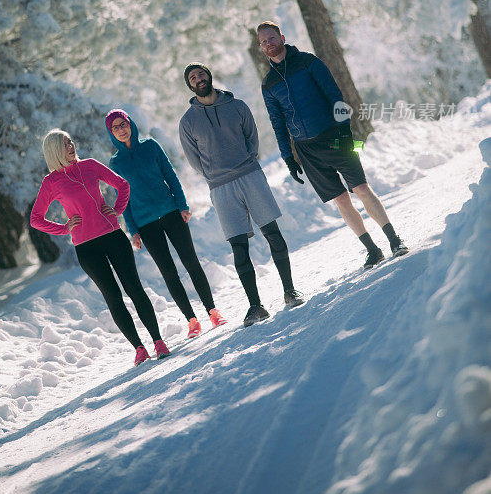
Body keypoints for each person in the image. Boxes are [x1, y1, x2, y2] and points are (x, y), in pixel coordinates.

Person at [257, 21, 409, 269]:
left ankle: (394, 240)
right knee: (341, 200)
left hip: (334, 136)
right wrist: (288, 157)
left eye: (271, 38)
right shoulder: (268, 83)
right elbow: (277, 122)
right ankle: (372, 250)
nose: (268, 44)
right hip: (307, 150)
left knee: (360, 188)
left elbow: (335, 95)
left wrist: (344, 132)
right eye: (263, 42)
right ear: (261, 47)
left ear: (282, 37)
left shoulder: (308, 62)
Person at [30, 129, 170, 366]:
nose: (71, 146)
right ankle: (139, 348)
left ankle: (158, 342)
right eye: (65, 144)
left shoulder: (90, 166)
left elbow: (122, 185)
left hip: (113, 236)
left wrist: (116, 209)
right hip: (86, 248)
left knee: (134, 289)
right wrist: (65, 228)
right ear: (55, 151)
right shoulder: (51, 182)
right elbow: (36, 219)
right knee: (113, 297)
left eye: (71, 141)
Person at [179, 63, 304, 328]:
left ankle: (290, 291)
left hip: (250, 176)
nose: (199, 79)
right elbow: (193, 159)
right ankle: (255, 306)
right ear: (189, 85)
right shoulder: (188, 121)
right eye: (193, 77)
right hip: (221, 188)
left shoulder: (237, 106)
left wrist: (245, 161)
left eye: (201, 74)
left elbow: (252, 138)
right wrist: (215, 174)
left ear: (209, 76)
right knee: (239, 246)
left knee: (272, 232)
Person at [105, 109, 227, 338]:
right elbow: (123, 199)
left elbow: (170, 176)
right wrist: (133, 230)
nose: (121, 130)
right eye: (115, 128)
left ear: (130, 123)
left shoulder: (151, 146)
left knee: (191, 262)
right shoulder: (116, 162)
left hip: (171, 212)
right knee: (169, 272)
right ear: (111, 133)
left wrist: (182, 205)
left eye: (123, 124)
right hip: (146, 224)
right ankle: (191, 320)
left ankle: (212, 311)